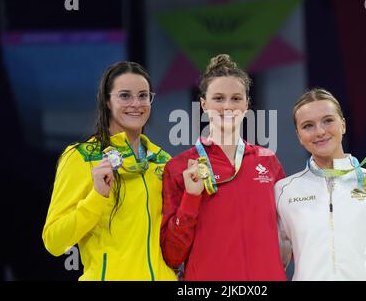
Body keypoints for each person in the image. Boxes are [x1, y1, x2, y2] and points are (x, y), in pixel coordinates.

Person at [42, 61, 176, 281]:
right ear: (106, 101)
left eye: (143, 96)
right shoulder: (82, 157)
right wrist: (97, 197)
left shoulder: (162, 161)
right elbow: (54, 241)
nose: (136, 104)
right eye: (125, 96)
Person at [160, 54, 286, 280]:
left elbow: (287, 236)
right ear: (203, 104)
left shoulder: (268, 161)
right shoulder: (179, 168)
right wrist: (191, 196)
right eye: (218, 98)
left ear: (247, 104)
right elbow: (172, 256)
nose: (227, 106)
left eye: (236, 98)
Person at [275, 88, 366, 281]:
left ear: (343, 125)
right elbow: (275, 261)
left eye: (328, 120)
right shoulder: (284, 190)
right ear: (299, 136)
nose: (320, 131)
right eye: (308, 126)